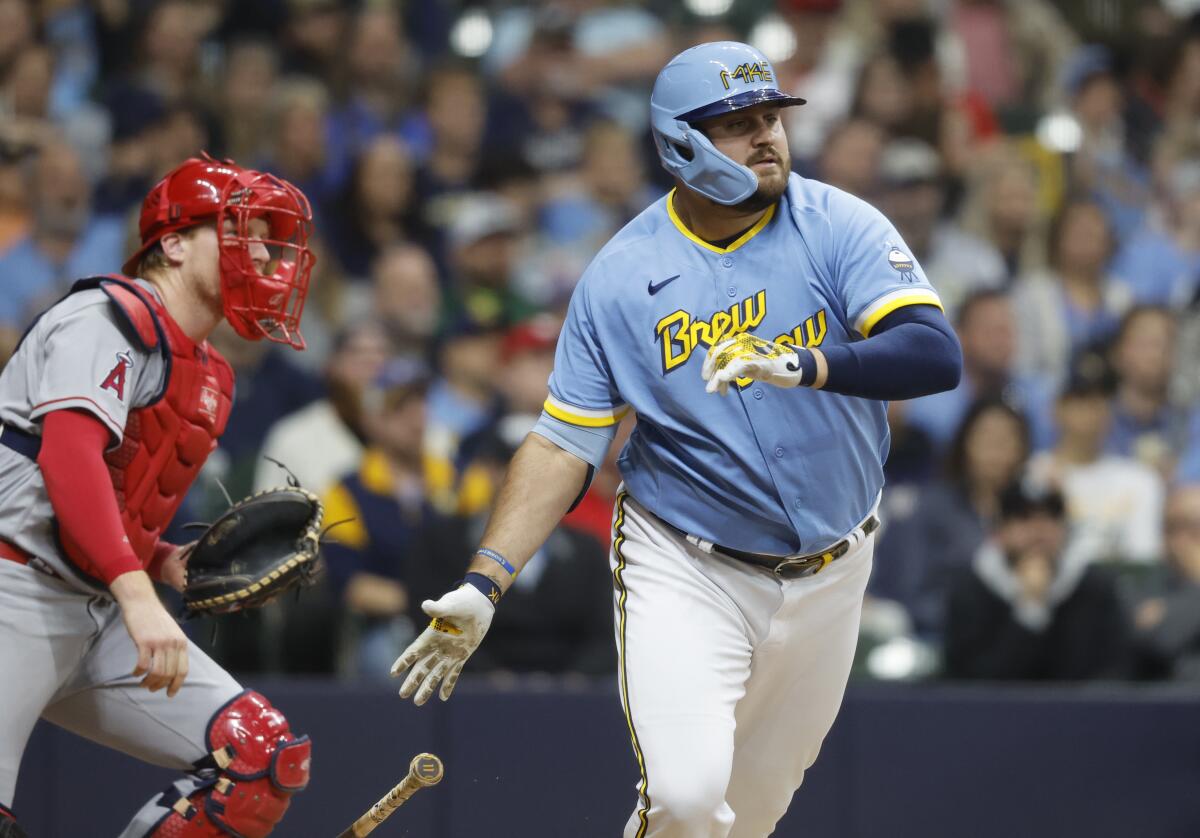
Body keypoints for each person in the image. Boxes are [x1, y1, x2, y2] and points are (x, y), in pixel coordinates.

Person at [391, 41, 962, 837]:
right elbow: (563, 444)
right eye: (738, 124)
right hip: (690, 564)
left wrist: (803, 363)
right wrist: (486, 582)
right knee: (689, 799)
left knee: (752, 817)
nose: (766, 137)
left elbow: (934, 353)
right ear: (679, 142)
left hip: (836, 562)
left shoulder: (837, 222)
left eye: (771, 118)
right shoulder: (621, 275)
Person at [0, 154, 316, 837]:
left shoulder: (207, 373)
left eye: (264, 235)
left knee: (261, 759)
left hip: (94, 604)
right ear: (172, 244)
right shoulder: (103, 318)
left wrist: (160, 559)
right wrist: (139, 596)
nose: (260, 250)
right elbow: (68, 459)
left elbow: (108, 502)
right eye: (238, 229)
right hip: (11, 588)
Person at [943, 480, 1133, 681]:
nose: (1038, 531)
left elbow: (1116, 673)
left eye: (1050, 517)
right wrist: (1030, 609)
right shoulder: (971, 589)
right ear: (999, 531)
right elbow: (970, 681)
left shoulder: (1095, 587)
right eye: (1024, 518)